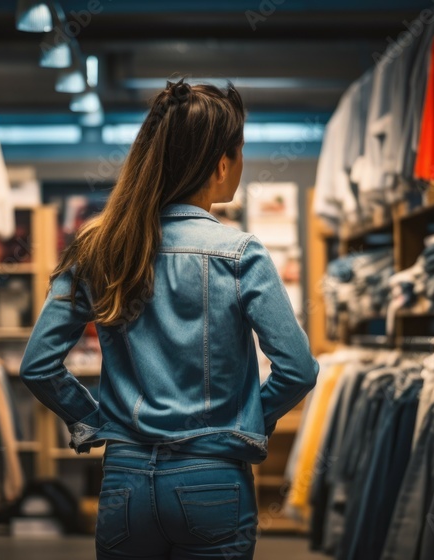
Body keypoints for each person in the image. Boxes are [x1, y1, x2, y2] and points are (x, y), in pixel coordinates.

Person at [20, 79, 319, 560]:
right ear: (222, 163)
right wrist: (239, 423)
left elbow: (38, 365)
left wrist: (96, 422)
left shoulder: (99, 247)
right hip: (214, 480)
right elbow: (299, 370)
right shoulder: (242, 255)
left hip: (124, 484)